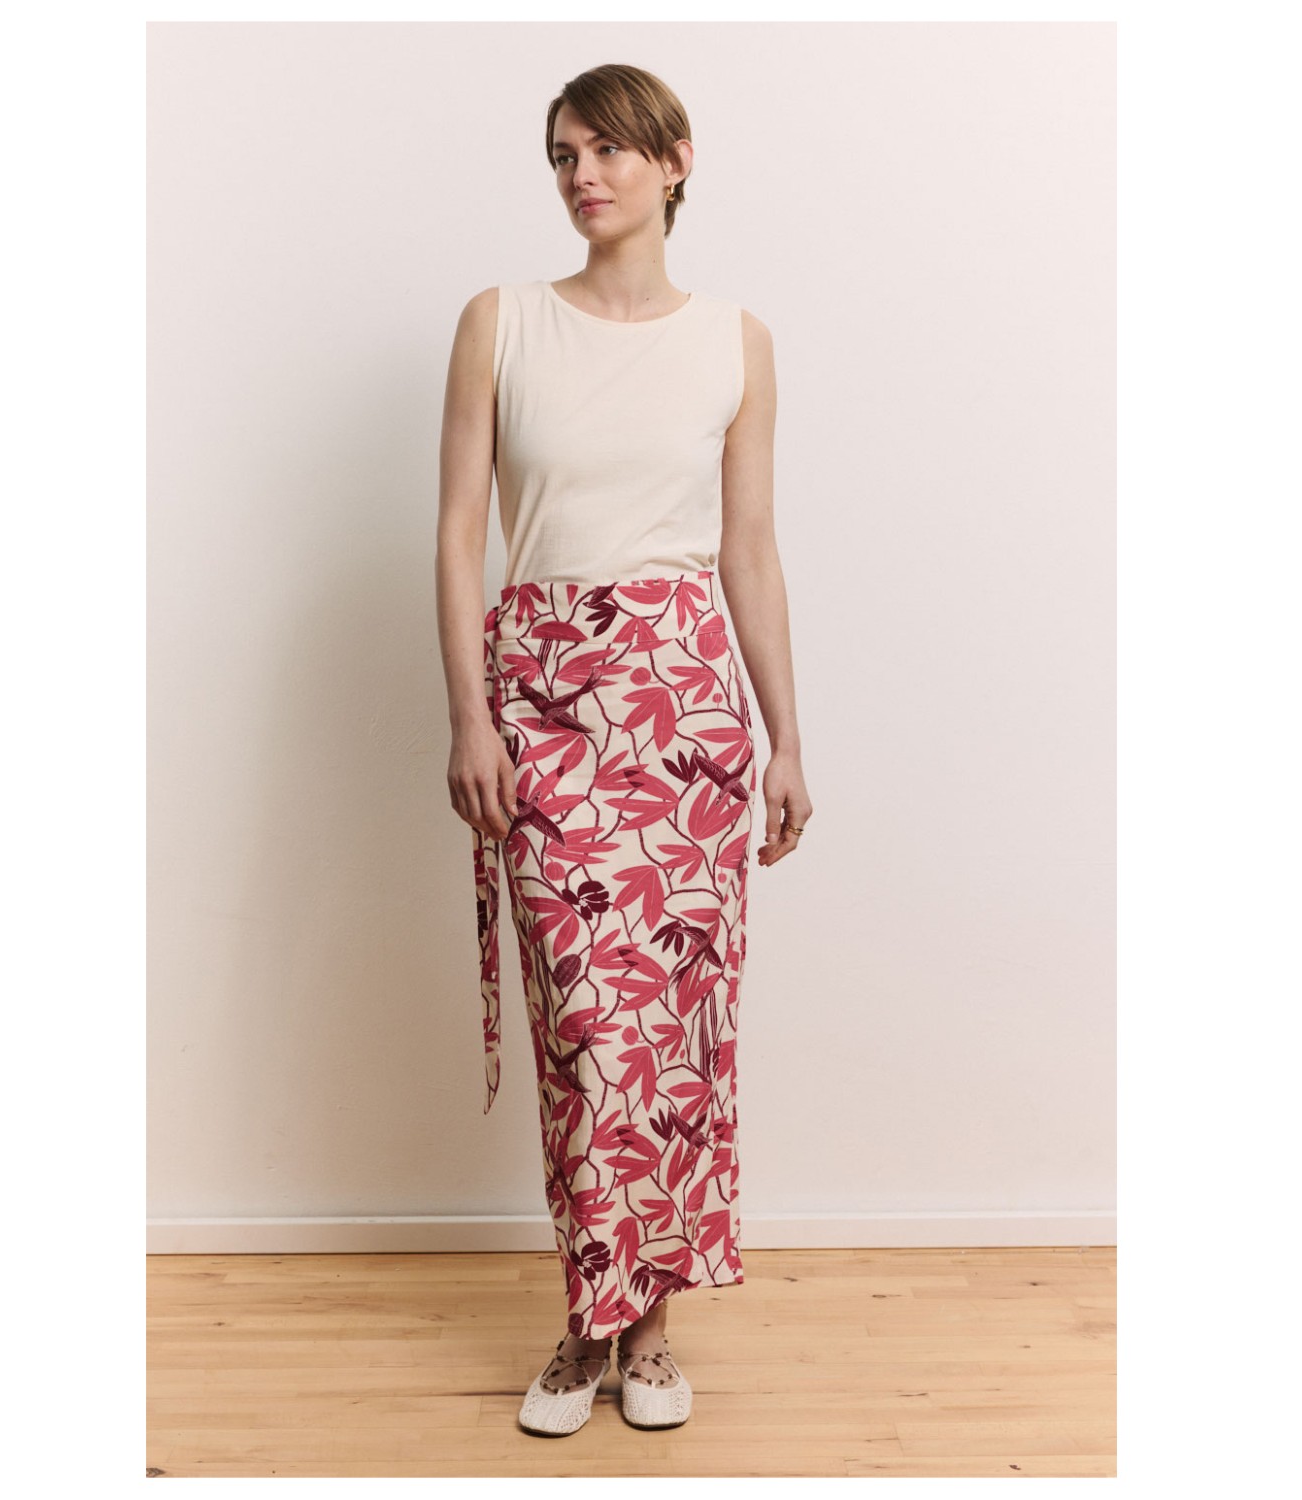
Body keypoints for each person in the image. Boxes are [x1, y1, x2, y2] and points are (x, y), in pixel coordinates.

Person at [434, 62, 812, 1436]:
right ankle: (588, 1314)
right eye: (562, 154)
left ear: (675, 160)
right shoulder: (501, 323)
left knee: (674, 1027)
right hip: (542, 699)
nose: (582, 175)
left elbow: (748, 549)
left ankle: (646, 1331)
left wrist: (786, 737)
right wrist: (470, 715)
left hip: (685, 710)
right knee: (585, 1024)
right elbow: (457, 535)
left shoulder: (736, 343)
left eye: (608, 149)